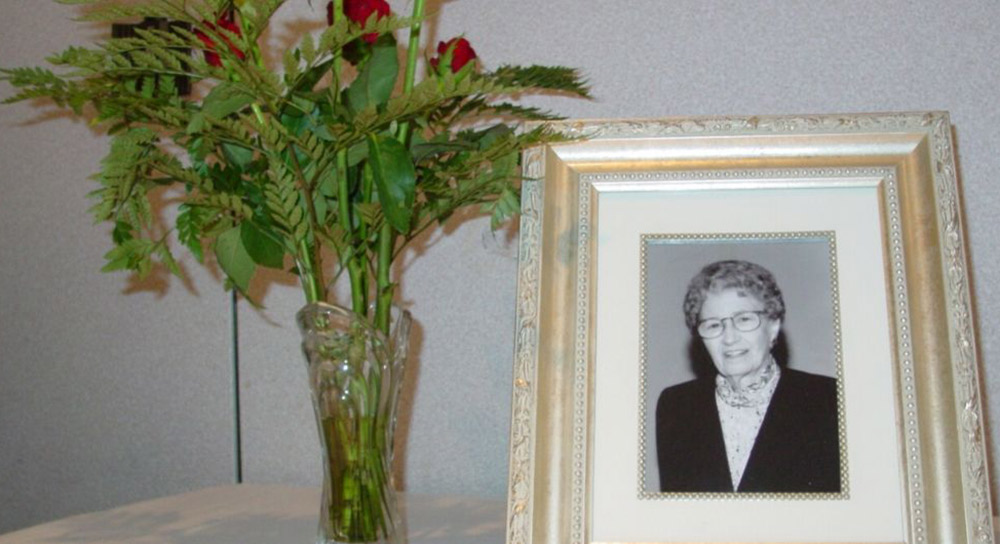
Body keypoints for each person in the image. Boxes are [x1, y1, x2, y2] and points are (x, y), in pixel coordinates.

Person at [655, 260, 841, 493]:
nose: (729, 338)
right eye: (713, 325)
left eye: (744, 319)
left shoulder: (828, 398)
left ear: (773, 325)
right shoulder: (676, 406)